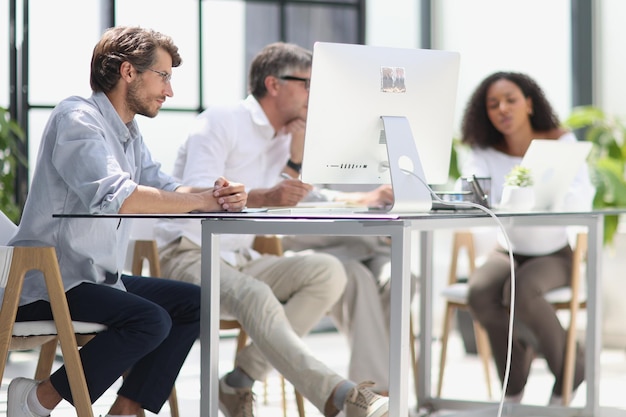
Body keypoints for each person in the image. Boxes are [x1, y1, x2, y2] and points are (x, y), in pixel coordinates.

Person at [5, 26, 249, 417]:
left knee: (196, 303)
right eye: (164, 76)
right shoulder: (76, 119)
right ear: (128, 71)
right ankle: (37, 398)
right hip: (47, 284)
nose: (169, 91)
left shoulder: (129, 133)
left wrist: (218, 196)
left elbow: (167, 187)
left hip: (97, 279)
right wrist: (201, 200)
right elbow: (118, 197)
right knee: (149, 320)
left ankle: (126, 410)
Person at [154, 42, 389, 417]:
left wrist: (366, 197)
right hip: (190, 254)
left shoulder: (287, 135)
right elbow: (198, 193)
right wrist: (267, 193)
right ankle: (341, 396)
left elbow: (302, 197)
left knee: (329, 271)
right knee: (258, 295)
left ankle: (240, 380)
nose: (314, 94)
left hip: (241, 258)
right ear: (274, 84)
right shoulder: (221, 120)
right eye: (307, 84)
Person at [458, 71, 595, 405]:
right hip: (508, 250)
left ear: (529, 103)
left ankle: (570, 372)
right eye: (493, 104)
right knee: (479, 292)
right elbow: (475, 193)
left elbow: (582, 196)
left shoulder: (560, 141)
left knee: (521, 292)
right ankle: (515, 374)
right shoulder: (485, 150)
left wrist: (545, 194)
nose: (502, 108)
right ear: (485, 113)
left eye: (510, 100)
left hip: (554, 254)